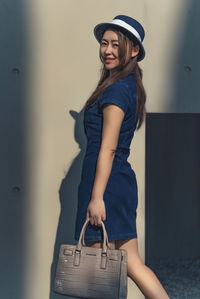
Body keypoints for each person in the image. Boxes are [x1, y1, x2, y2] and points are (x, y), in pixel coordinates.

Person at [74, 15, 169, 299]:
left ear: (134, 50)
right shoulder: (126, 85)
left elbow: (108, 148)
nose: (108, 50)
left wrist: (97, 197)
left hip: (106, 186)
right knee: (133, 265)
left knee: (97, 275)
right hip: (117, 183)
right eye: (104, 43)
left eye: (116, 44)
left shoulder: (116, 90)